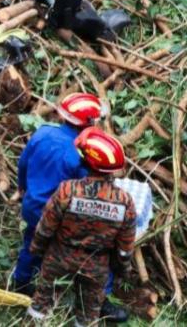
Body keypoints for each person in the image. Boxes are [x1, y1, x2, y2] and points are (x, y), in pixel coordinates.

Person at [13, 92, 129, 322]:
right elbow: (86, 192)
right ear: (89, 124)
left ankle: (21, 282)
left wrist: (23, 188)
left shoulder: (43, 132)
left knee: (31, 244)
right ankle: (99, 300)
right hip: (59, 216)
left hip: (32, 205)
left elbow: (23, 163)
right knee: (96, 254)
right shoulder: (78, 156)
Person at [27, 128, 135, 326]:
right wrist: (123, 270)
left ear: (86, 162)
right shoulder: (125, 201)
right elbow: (125, 247)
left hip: (59, 257)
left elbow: (46, 227)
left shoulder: (67, 190)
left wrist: (37, 249)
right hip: (97, 265)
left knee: (41, 304)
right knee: (88, 314)